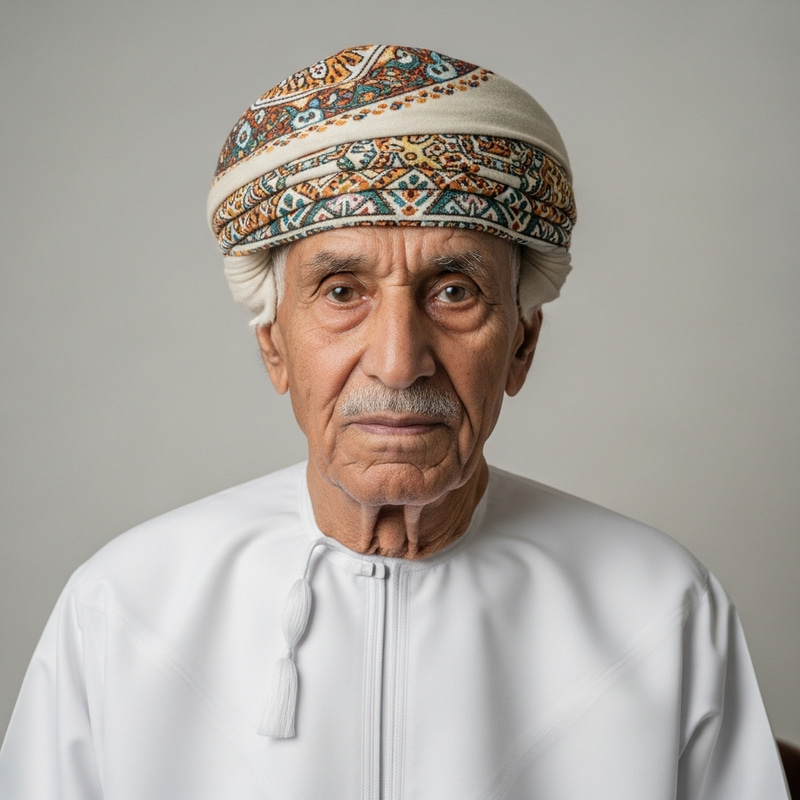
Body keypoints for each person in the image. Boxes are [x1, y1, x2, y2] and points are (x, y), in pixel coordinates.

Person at [0, 44, 789, 799]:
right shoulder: (125, 606)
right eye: (343, 292)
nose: (398, 360)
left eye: (454, 291)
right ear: (275, 347)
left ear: (521, 345)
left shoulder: (658, 608)